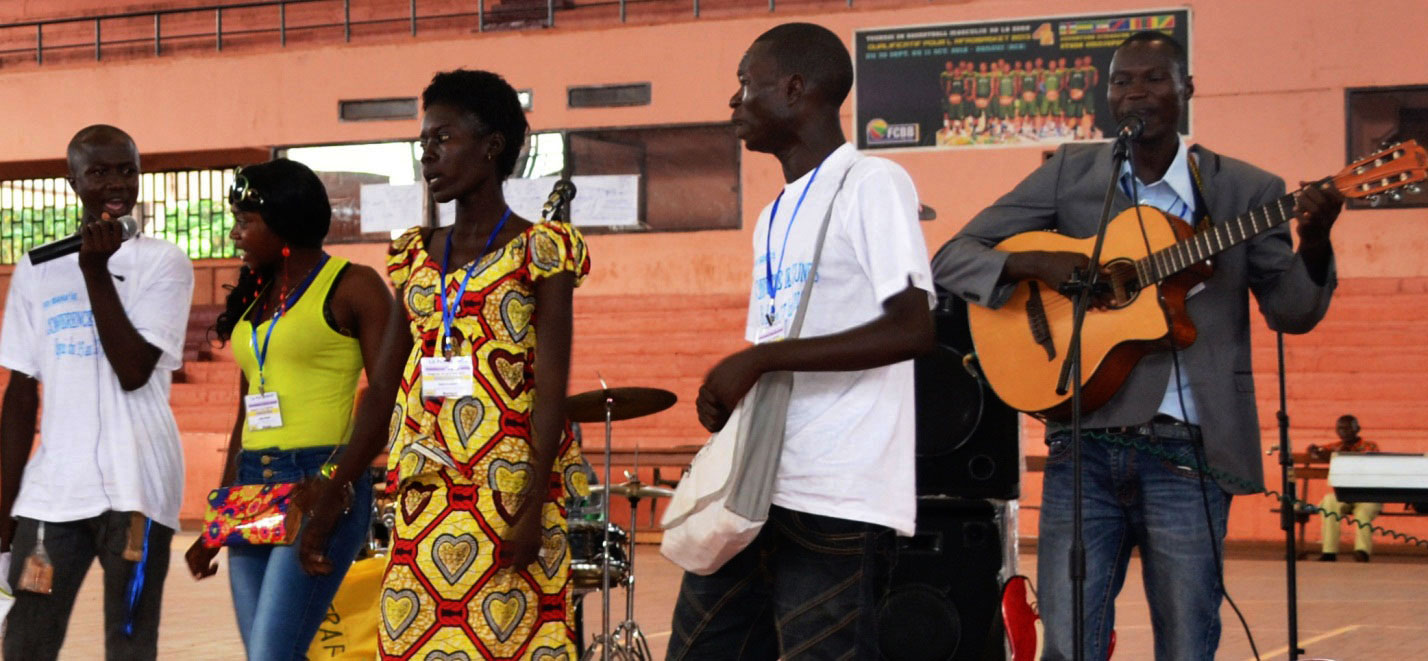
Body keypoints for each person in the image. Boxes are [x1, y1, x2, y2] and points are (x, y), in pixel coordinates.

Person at [932, 31, 1345, 661]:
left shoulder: (1245, 190)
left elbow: (1292, 312)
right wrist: (1035, 262)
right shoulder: (1072, 173)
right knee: (1069, 643)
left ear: (1186, 90)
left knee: (1185, 641)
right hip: (1083, 447)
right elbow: (953, 257)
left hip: (1189, 454)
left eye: (1153, 79)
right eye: (1122, 81)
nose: (1135, 93)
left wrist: (1314, 244)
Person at [300, 69, 591, 660]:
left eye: (443, 138)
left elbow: (552, 389)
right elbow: (383, 390)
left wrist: (534, 504)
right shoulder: (414, 257)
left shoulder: (542, 250)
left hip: (507, 498)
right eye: (423, 141)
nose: (427, 154)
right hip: (422, 496)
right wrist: (334, 487)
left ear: (492, 146)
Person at [667, 22, 935, 659]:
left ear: (795, 89)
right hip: (759, 486)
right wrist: (740, 387)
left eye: (745, 83)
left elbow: (913, 326)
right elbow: (780, 338)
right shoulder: (773, 214)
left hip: (836, 494)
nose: (735, 100)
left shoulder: (872, 183)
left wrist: (761, 359)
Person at [181, 158, 392, 659]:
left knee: (271, 653)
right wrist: (220, 520)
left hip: (316, 479)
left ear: (285, 222)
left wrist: (332, 485)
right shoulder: (256, 299)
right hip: (254, 480)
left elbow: (386, 400)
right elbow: (245, 417)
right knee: (268, 652)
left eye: (245, 221)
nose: (234, 234)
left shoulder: (354, 285)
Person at [0, 125, 194, 660]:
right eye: (99, 171)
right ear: (73, 181)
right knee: (25, 641)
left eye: (127, 169)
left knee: (128, 642)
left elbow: (133, 369)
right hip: (52, 493)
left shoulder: (164, 262)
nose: (116, 183)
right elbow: (19, 393)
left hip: (138, 488)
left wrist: (95, 272)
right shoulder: (36, 268)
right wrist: (4, 498)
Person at [1309, 414, 1382, 562]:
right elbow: (1319, 451)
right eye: (1340, 428)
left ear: (1358, 429)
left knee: (1363, 513)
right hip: (1345, 495)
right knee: (1329, 502)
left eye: (1348, 428)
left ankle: (1362, 552)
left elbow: (1362, 459)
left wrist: (1335, 454)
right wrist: (1315, 450)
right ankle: (1329, 552)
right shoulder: (1336, 446)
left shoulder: (1370, 446)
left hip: (1367, 496)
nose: (1344, 432)